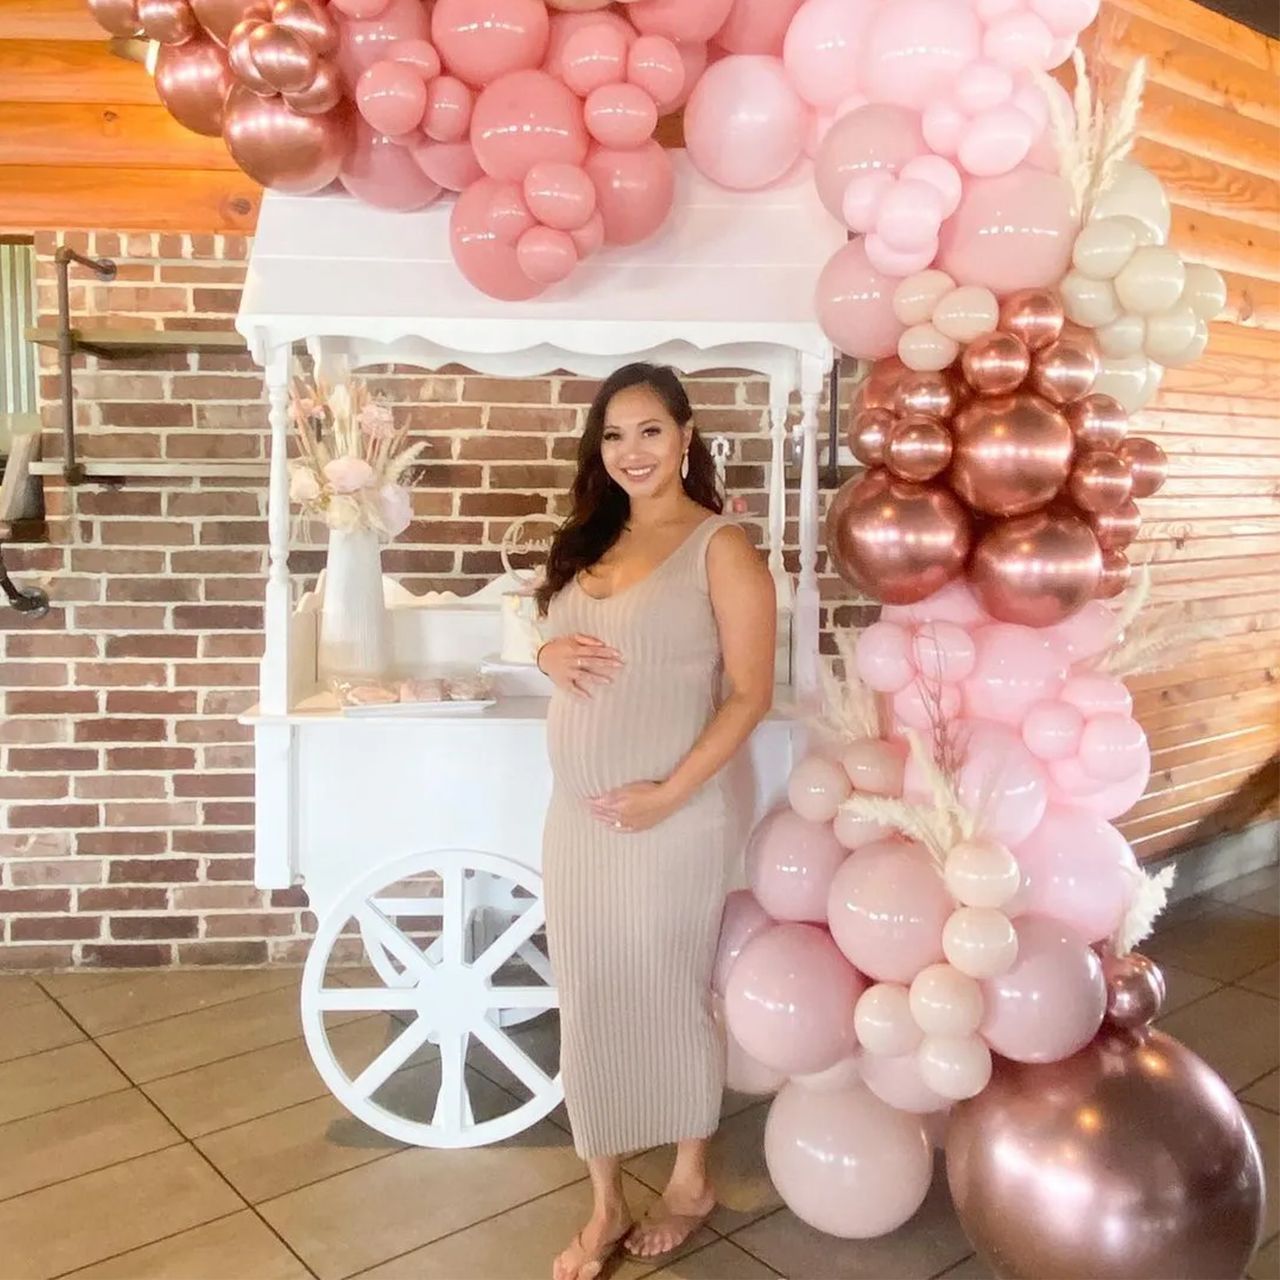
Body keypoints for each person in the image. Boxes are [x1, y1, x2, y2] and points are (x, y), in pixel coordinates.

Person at [534, 363, 777, 1280]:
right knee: (588, 996)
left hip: (673, 820)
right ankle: (601, 1205)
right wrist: (543, 649)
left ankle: (689, 1179)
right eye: (612, 436)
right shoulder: (588, 540)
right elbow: (563, 644)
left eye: (647, 431)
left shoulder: (720, 547)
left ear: (684, 435)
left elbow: (748, 696)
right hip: (577, 825)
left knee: (669, 990)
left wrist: (670, 794)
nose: (630, 452)